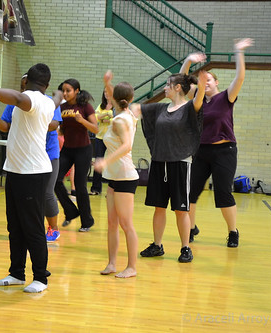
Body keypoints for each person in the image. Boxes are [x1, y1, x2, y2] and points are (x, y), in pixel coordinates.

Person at [0, 63, 62, 293]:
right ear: (47, 84)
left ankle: (41, 277)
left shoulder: (35, 99)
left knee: (33, 228)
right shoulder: (47, 102)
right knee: (15, 226)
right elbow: (45, 112)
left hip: (33, 173)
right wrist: (57, 100)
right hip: (16, 170)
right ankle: (17, 273)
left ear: (27, 79)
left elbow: (19, 99)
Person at [181, 38, 254, 247]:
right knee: (190, 193)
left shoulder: (226, 97)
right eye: (204, 80)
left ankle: (233, 232)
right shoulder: (198, 99)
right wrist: (188, 61)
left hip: (225, 150)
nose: (206, 83)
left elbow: (240, 77)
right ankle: (191, 229)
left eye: (210, 80)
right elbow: (182, 81)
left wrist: (238, 51)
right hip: (200, 151)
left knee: (223, 193)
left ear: (216, 83)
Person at [130, 70, 207, 263]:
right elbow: (136, 109)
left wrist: (203, 84)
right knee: (159, 207)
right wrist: (120, 100)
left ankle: (185, 248)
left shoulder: (189, 108)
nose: (164, 88)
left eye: (167, 85)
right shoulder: (160, 109)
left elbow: (198, 100)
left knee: (181, 210)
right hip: (159, 162)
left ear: (177, 87)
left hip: (180, 163)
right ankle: (157, 245)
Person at [0, 74, 63, 242]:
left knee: (46, 193)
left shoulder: (46, 102)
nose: (24, 87)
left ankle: (53, 228)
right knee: (22, 200)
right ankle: (26, 230)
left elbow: (54, 125)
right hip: (22, 161)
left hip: (47, 156)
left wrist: (36, 121)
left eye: (26, 83)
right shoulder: (17, 102)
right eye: (22, 84)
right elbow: (6, 126)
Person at [94, 72, 138, 278]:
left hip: (125, 176)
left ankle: (131, 267)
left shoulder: (120, 121)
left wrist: (105, 161)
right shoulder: (127, 113)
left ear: (114, 100)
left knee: (126, 224)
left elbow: (127, 146)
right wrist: (107, 83)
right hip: (115, 177)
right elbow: (115, 96)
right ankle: (112, 263)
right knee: (112, 223)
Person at [55, 78, 98, 232]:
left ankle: (87, 221)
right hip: (67, 149)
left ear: (76, 91)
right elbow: (61, 129)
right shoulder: (62, 107)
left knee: (80, 186)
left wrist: (82, 121)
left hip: (83, 149)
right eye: (63, 91)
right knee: (55, 180)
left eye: (68, 90)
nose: (65, 93)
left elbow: (95, 129)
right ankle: (71, 211)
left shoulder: (85, 106)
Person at [90, 89, 114, 195]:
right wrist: (106, 116)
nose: (106, 94)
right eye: (104, 92)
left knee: (113, 163)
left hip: (112, 139)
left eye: (108, 92)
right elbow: (95, 118)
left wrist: (105, 119)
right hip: (100, 138)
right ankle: (96, 189)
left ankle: (113, 190)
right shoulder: (101, 105)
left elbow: (117, 119)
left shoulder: (116, 105)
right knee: (98, 163)